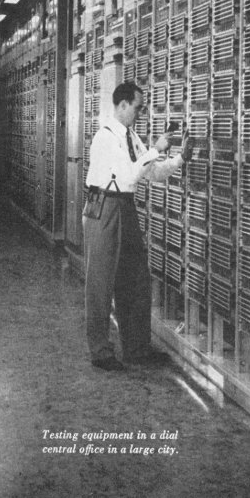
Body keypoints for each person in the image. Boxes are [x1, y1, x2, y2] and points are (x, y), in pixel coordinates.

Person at [83, 81, 192, 371]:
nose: (140, 113)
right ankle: (101, 352)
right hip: (104, 206)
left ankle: (136, 348)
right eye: (137, 107)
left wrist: (180, 158)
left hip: (125, 206)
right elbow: (129, 176)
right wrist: (155, 149)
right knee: (101, 280)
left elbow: (153, 173)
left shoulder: (131, 137)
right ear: (122, 105)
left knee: (136, 278)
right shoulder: (105, 138)